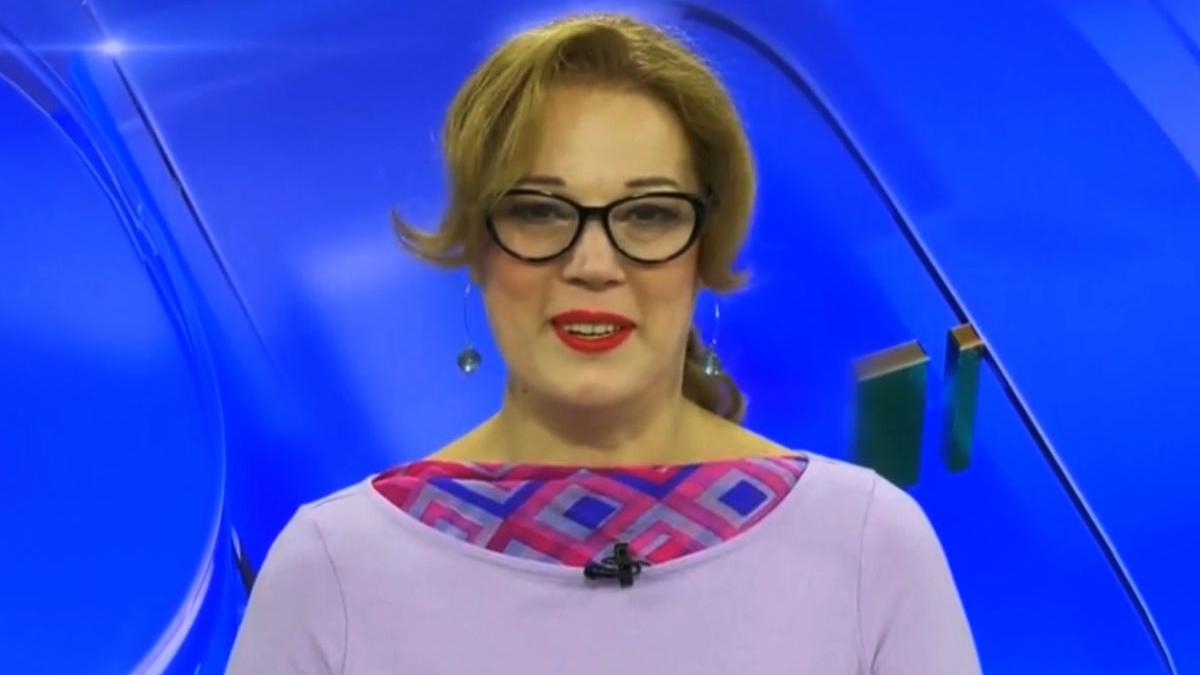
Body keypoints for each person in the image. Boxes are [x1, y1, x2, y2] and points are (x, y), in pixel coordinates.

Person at [226, 12, 980, 674]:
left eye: (647, 215)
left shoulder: (866, 547)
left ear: (704, 248)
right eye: (540, 212)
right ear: (478, 248)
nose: (593, 263)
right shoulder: (333, 571)